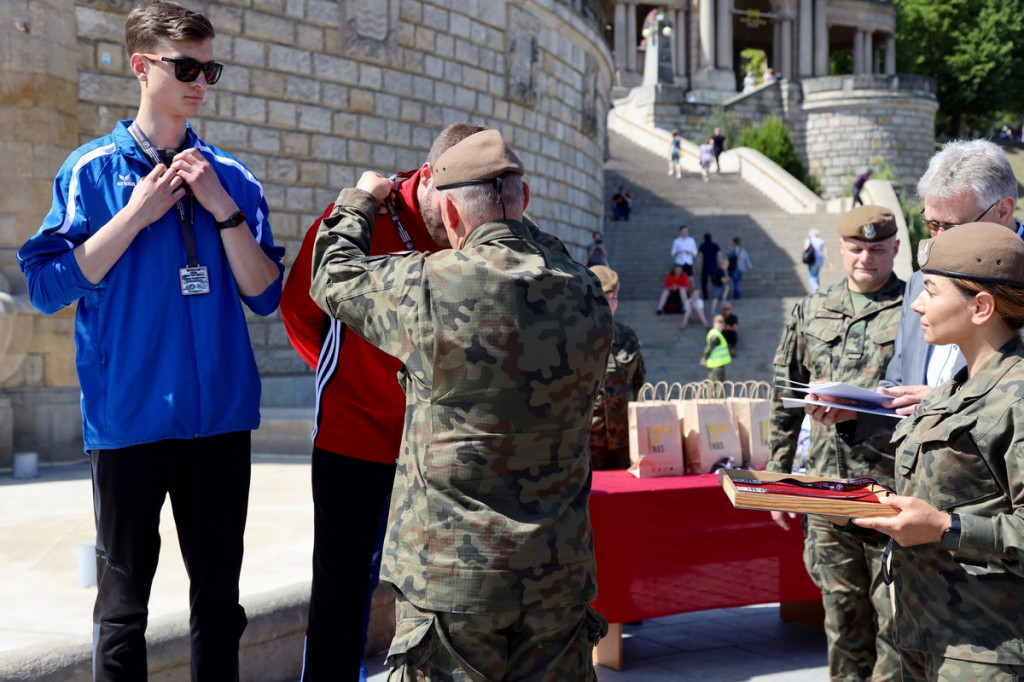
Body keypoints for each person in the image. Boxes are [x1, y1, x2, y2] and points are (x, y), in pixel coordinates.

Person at [16, 1, 285, 678]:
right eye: (185, 65)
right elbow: (46, 288)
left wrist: (223, 212)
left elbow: (266, 294)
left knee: (220, 606)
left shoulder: (235, 179)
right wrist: (134, 217)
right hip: (130, 422)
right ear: (141, 67)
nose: (200, 80)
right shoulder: (90, 172)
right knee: (122, 612)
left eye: (209, 67)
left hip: (219, 419)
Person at [309, 129, 613, 679]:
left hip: (453, 582)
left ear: (448, 211)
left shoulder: (431, 286)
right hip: (558, 575)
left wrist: (360, 200)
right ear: (525, 201)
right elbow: (545, 250)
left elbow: (330, 274)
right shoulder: (586, 290)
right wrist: (509, 210)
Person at [280, 122, 492, 681]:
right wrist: (345, 376)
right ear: (427, 178)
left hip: (438, 447)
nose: (457, 227)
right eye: (450, 210)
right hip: (355, 438)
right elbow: (301, 309)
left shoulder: (476, 220)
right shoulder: (356, 218)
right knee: (342, 588)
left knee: (438, 588)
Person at [854, 223, 1024, 681]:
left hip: (987, 650)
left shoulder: (1017, 396)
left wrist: (945, 527)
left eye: (930, 289)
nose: (916, 304)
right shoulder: (951, 390)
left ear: (981, 306)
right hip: (924, 633)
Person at [768, 205, 904, 682]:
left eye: (876, 248)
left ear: (895, 249)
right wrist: (778, 478)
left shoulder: (917, 311)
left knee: (895, 627)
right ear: (839, 250)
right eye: (855, 248)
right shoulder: (811, 309)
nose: (865, 258)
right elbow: (784, 396)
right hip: (827, 491)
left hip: (892, 492)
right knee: (842, 624)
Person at [807, 139, 1024, 433]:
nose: (938, 240)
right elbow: (901, 382)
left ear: (1003, 211)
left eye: (951, 227)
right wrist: (858, 410)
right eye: (932, 225)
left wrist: (947, 401)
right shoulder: (918, 282)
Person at [589, 265, 646, 471]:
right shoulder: (574, 337)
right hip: (587, 441)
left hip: (624, 439)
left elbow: (639, 383)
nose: (611, 303)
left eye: (615, 297)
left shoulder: (627, 336)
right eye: (606, 296)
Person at [700, 314, 731, 383]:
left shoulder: (716, 334)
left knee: (714, 386)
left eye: (722, 322)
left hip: (717, 365)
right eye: (718, 322)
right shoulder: (715, 335)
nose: (720, 325)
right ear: (714, 323)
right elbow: (709, 348)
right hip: (716, 366)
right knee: (718, 387)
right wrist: (705, 357)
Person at [803, 227, 832, 292]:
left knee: (811, 275)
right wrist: (828, 261)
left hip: (812, 259)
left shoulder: (808, 240)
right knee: (816, 274)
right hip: (820, 260)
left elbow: (806, 250)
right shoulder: (821, 241)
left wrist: (806, 261)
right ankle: (816, 289)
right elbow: (825, 251)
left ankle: (815, 287)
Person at [696, 232, 721, 300]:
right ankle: (718, 295)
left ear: (704, 238)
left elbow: (700, 256)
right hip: (714, 266)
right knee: (715, 281)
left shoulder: (703, 245)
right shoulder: (715, 245)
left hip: (706, 266)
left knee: (704, 282)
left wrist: (697, 265)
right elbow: (719, 255)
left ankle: (705, 297)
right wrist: (719, 264)